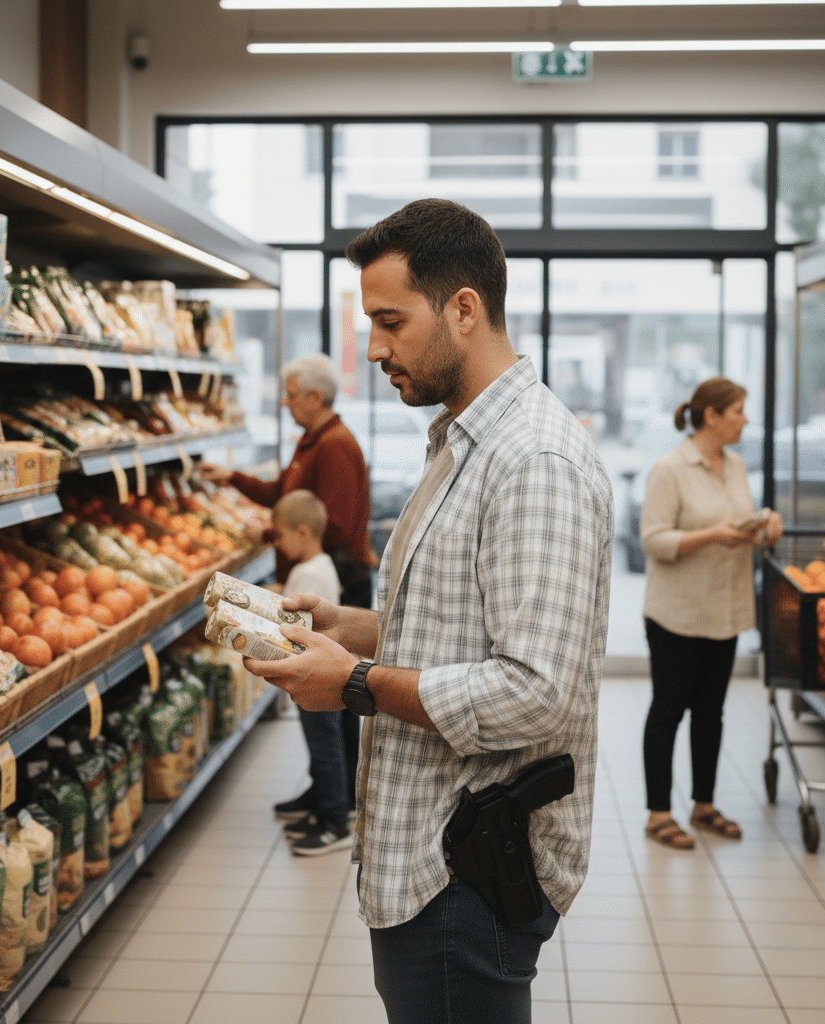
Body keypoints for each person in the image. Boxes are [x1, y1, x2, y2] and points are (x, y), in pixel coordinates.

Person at [244, 198, 614, 1023]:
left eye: (389, 321)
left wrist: (357, 683)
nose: (373, 348)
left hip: (467, 870)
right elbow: (473, 625)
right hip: (432, 851)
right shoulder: (462, 441)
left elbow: (533, 690)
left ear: (464, 309)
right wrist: (355, 631)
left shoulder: (534, 460)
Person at [196, 353, 373, 821]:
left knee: (338, 700)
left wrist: (274, 536)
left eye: (292, 396)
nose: (286, 403)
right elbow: (282, 494)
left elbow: (329, 525)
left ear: (315, 397)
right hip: (317, 583)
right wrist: (233, 479)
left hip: (339, 589)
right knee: (323, 704)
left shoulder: (335, 446)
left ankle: (342, 797)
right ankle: (326, 789)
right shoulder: (310, 442)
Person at [640, 377, 783, 850]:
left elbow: (738, 520)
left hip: (724, 610)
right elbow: (654, 540)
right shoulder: (670, 468)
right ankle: (659, 813)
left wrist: (765, 527)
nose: (746, 419)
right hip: (676, 614)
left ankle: (703, 805)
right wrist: (712, 536)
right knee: (668, 711)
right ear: (712, 416)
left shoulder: (736, 465)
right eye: (739, 411)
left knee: (711, 714)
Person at [267, 489, 353, 855]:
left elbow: (291, 623)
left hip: (314, 674)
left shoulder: (306, 574)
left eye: (279, 535)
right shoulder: (322, 567)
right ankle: (325, 806)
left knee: (324, 748)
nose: (278, 543)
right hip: (326, 670)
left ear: (301, 532)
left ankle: (335, 821)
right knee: (326, 746)